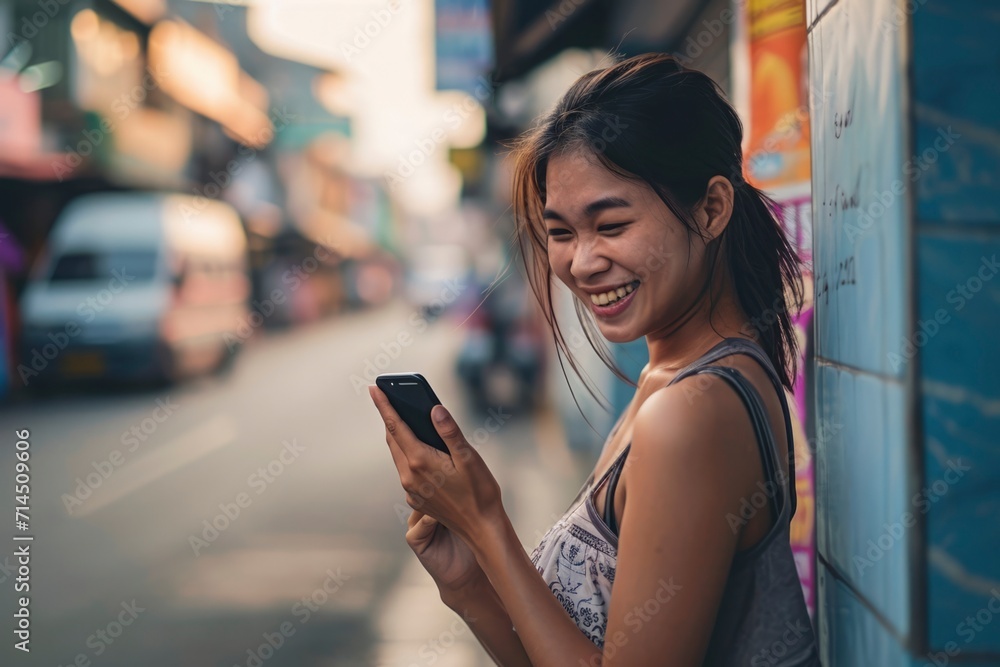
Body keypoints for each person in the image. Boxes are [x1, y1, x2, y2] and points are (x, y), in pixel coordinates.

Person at [368, 52, 820, 666]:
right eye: (560, 233)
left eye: (610, 225)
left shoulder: (692, 411)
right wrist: (469, 579)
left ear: (711, 209)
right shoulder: (672, 380)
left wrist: (487, 522)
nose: (582, 263)